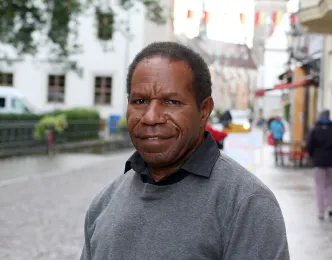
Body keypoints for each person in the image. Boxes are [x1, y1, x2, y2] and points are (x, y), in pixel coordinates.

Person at [80, 42, 289, 260]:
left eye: (171, 101)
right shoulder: (103, 204)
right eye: (140, 101)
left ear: (204, 111)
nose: (151, 117)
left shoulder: (247, 204)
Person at [306, 110, 332, 219]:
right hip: (331, 162)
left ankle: (321, 212)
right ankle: (330, 207)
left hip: (318, 163)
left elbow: (309, 146)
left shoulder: (314, 130)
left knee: (319, 187)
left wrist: (313, 156)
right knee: (330, 186)